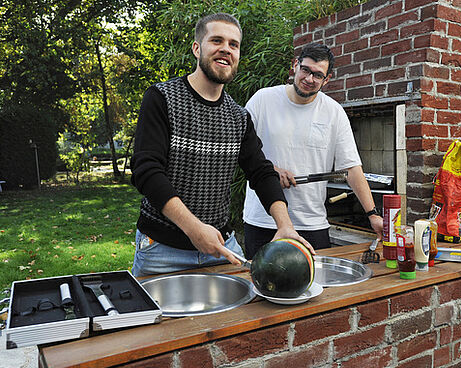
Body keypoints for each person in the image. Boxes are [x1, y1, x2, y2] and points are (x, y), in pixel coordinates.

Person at [130, 13, 311, 277]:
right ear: (196, 48)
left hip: (221, 248)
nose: (226, 48)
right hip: (161, 251)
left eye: (233, 44)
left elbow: (260, 172)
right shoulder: (161, 98)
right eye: (216, 40)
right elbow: (146, 172)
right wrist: (194, 229)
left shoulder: (238, 117)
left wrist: (284, 225)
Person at [242, 42, 383, 258]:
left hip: (312, 224)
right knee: (261, 287)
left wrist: (372, 214)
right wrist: (270, 170)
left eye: (318, 75)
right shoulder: (263, 99)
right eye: (306, 70)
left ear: (326, 80)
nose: (309, 79)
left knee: (317, 288)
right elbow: (239, 149)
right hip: (263, 220)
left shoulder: (334, 112)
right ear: (295, 65)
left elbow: (352, 169)